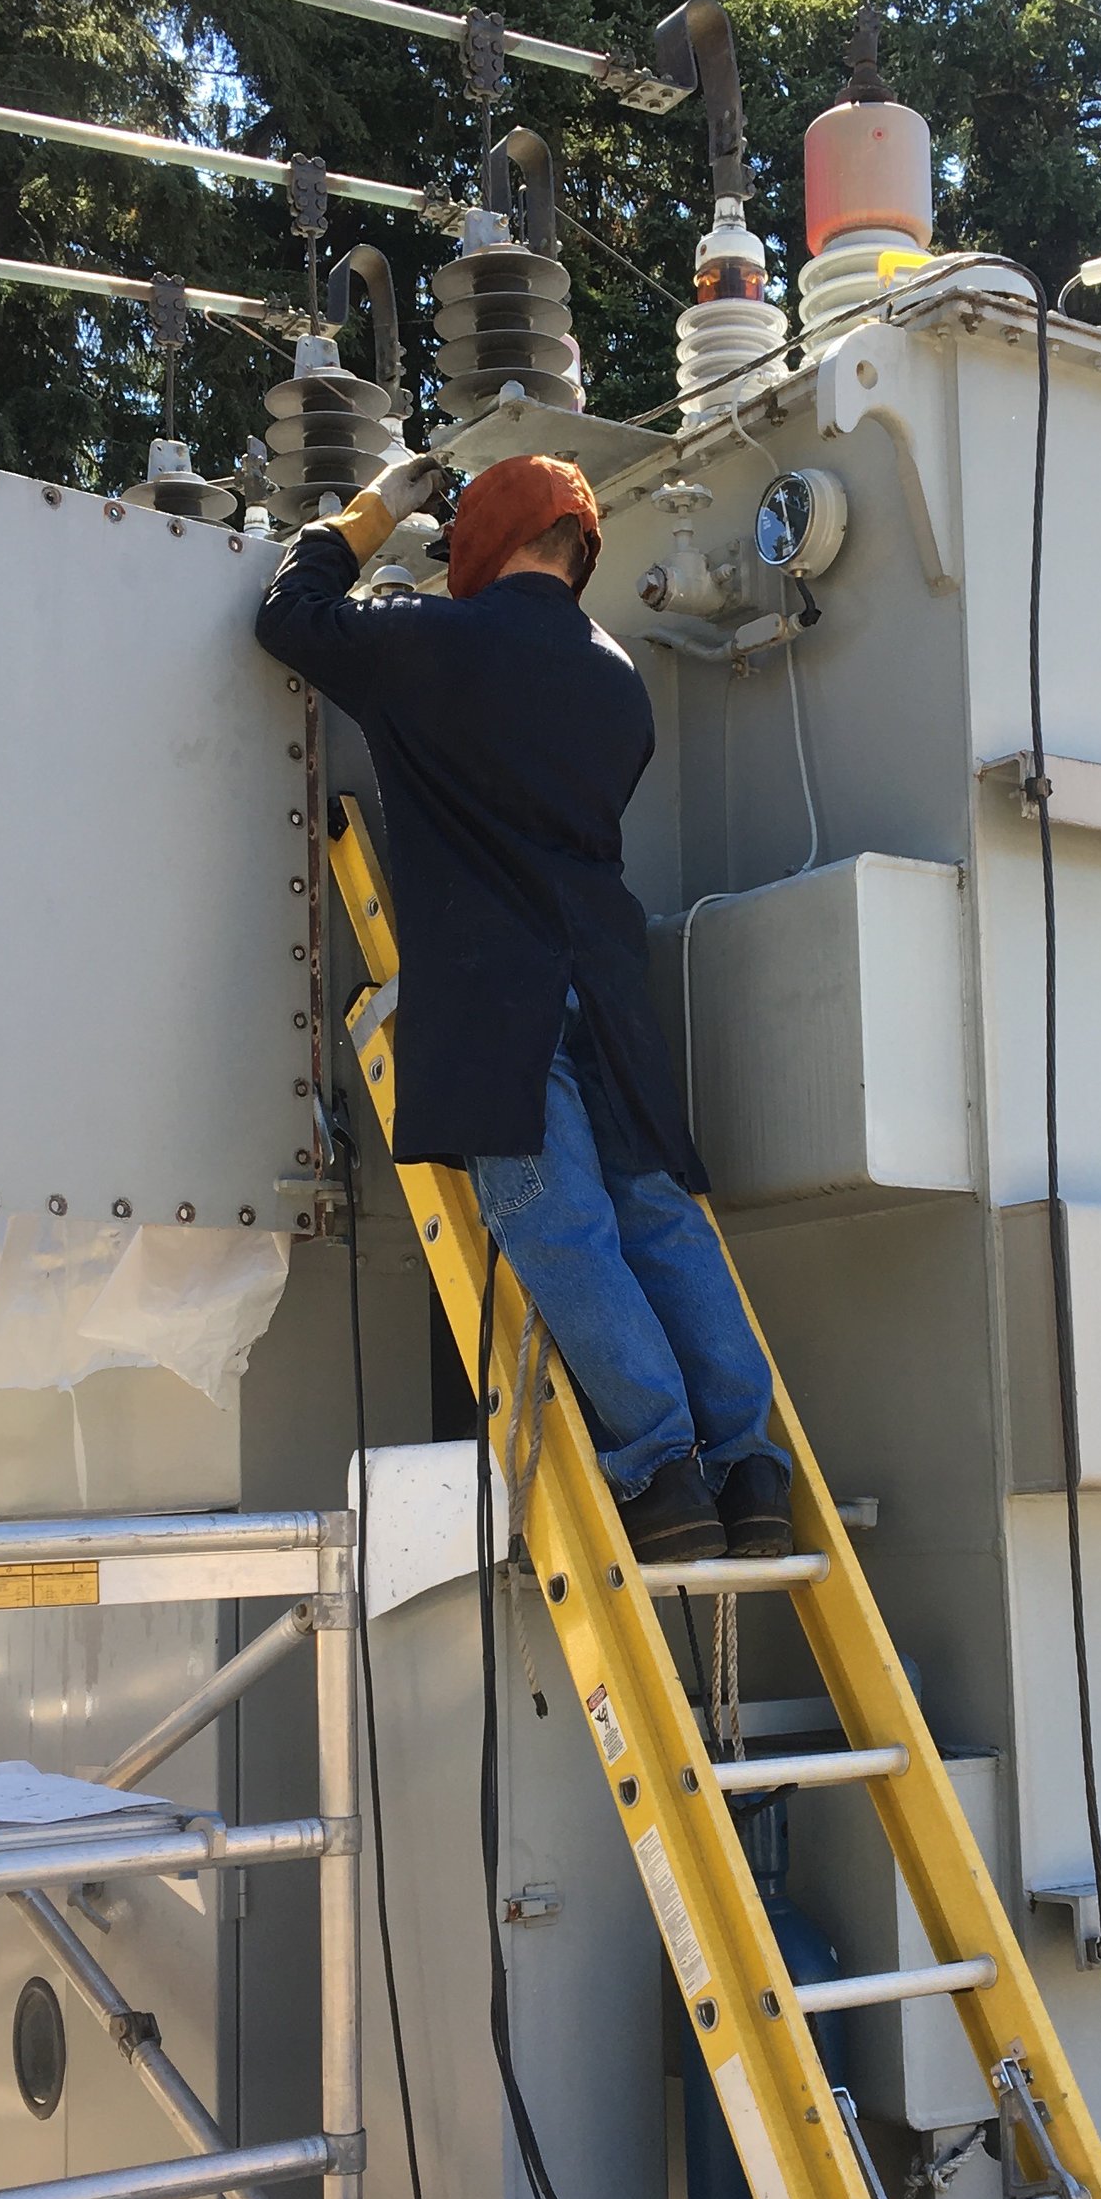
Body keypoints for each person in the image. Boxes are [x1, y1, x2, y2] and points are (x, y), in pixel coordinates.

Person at [255, 450, 793, 1565]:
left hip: (499, 989)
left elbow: (291, 619)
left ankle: (658, 1467)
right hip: (606, 972)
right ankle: (749, 1466)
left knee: (557, 1219)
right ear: (580, 545)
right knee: (655, 1211)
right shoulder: (617, 681)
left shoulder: (433, 642)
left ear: (485, 543)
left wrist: (369, 515)